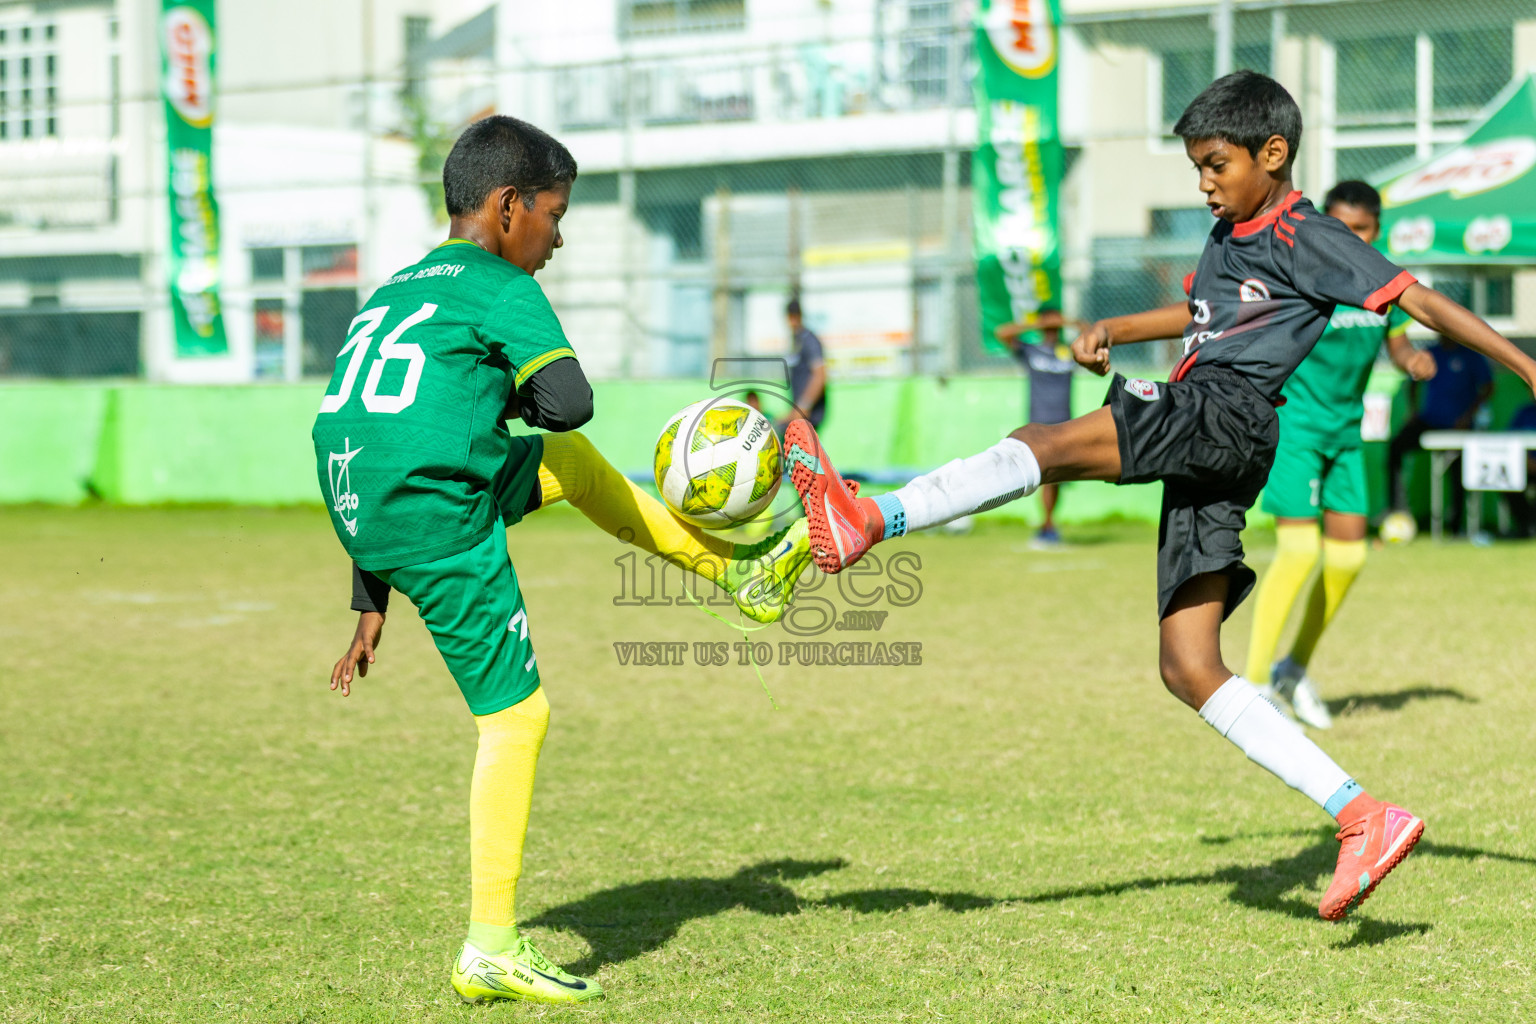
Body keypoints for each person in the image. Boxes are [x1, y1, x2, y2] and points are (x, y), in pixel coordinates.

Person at [783, 71, 1536, 921]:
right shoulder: (1226, 235)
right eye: (1195, 166)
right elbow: (1198, 318)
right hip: (1220, 438)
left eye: (1216, 164)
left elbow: (1421, 299)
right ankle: (1365, 814)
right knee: (1189, 666)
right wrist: (1113, 328)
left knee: (1046, 445)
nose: (1204, 182)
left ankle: (867, 520)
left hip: (1230, 414)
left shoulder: (1310, 232)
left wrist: (1527, 367)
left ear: (1273, 154)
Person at [312, 116, 817, 1006]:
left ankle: (737, 572)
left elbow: (382, 426)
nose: (557, 236)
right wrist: (509, 383)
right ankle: (490, 947)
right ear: (508, 209)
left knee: (570, 471)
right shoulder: (500, 284)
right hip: (439, 505)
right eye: (554, 213)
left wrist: (370, 596)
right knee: (517, 719)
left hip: (365, 501)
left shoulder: (398, 288)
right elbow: (570, 400)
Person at [1244, 181, 1436, 730]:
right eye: (1341, 228)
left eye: (1363, 230)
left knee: (1349, 559)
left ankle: (1291, 669)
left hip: (1347, 437)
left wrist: (1411, 361)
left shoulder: (1383, 283)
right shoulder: (1304, 276)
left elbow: (1396, 339)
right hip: (1295, 431)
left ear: (1378, 231)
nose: (1351, 239)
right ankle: (1254, 687)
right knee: (1299, 552)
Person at [1387, 336, 1494, 531]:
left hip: (1458, 426)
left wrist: (1468, 415)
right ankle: (1398, 509)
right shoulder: (1431, 353)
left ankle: (1455, 526)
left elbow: (1488, 387)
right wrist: (1413, 411)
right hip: (1429, 422)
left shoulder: (1470, 355)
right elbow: (1414, 381)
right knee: (1396, 446)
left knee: (1459, 470)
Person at [997, 308, 1074, 548]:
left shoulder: (1068, 351)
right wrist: (1035, 324)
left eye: (1055, 325)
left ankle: (1049, 524)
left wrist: (1066, 321)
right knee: (1045, 475)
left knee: (1057, 478)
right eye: (1048, 325)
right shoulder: (1031, 351)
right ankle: (1047, 524)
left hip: (1065, 422)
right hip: (1039, 422)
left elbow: (1092, 332)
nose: (1052, 329)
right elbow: (1003, 333)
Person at [783, 298, 827, 428]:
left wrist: (804, 405)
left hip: (810, 412)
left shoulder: (809, 340)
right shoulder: (796, 340)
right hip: (800, 411)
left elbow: (820, 375)